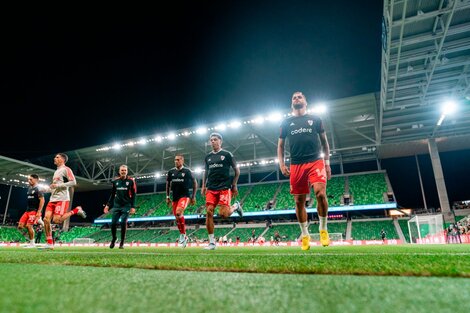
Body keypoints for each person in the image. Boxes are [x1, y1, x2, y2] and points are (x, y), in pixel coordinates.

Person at [277, 91, 331, 250]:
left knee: (320, 194)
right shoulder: (286, 122)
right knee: (299, 202)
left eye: (299, 97)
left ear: (305, 101)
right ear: (291, 103)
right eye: (293, 97)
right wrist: (281, 163)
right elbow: (280, 146)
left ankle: (323, 229)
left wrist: (326, 163)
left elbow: (325, 143)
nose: (296, 99)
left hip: (315, 161)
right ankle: (305, 234)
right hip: (296, 164)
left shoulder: (315, 119)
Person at [201, 132, 244, 250]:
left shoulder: (227, 154)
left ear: (220, 141)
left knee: (223, 214)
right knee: (209, 212)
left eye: (215, 139)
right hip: (211, 188)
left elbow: (237, 170)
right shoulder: (207, 157)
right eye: (211, 140)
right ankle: (211, 243)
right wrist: (203, 185)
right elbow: (205, 171)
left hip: (224, 187)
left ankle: (235, 206)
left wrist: (234, 184)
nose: (213, 142)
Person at [43, 153, 87, 249]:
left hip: (62, 199)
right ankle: (50, 243)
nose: (55, 158)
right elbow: (55, 187)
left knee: (56, 220)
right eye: (55, 157)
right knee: (46, 219)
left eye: (57, 157)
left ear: (62, 159)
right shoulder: (56, 172)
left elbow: (73, 182)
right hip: (52, 199)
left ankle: (75, 210)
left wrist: (58, 186)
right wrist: (46, 190)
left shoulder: (66, 169)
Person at [166, 154, 197, 248]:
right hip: (175, 198)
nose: (176, 161)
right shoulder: (171, 172)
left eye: (178, 160)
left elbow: (194, 182)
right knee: (177, 218)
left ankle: (182, 236)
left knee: (179, 212)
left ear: (182, 161)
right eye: (175, 160)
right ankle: (183, 235)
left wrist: (193, 196)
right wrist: (167, 196)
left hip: (185, 196)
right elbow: (168, 184)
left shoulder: (187, 171)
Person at [104, 164, 137, 249]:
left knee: (123, 222)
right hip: (116, 205)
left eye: (125, 170)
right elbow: (112, 194)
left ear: (127, 171)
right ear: (119, 171)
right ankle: (114, 238)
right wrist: (107, 205)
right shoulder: (115, 182)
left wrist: (133, 206)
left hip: (126, 205)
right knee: (113, 223)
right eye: (122, 170)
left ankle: (122, 241)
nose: (123, 172)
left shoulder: (131, 181)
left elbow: (134, 194)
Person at [18, 174, 45, 248]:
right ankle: (30, 240)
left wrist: (39, 211)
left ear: (36, 180)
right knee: (20, 226)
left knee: (29, 226)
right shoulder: (29, 189)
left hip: (34, 210)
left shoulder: (38, 189)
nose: (29, 181)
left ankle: (32, 243)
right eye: (28, 179)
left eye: (31, 179)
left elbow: (42, 200)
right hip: (27, 210)